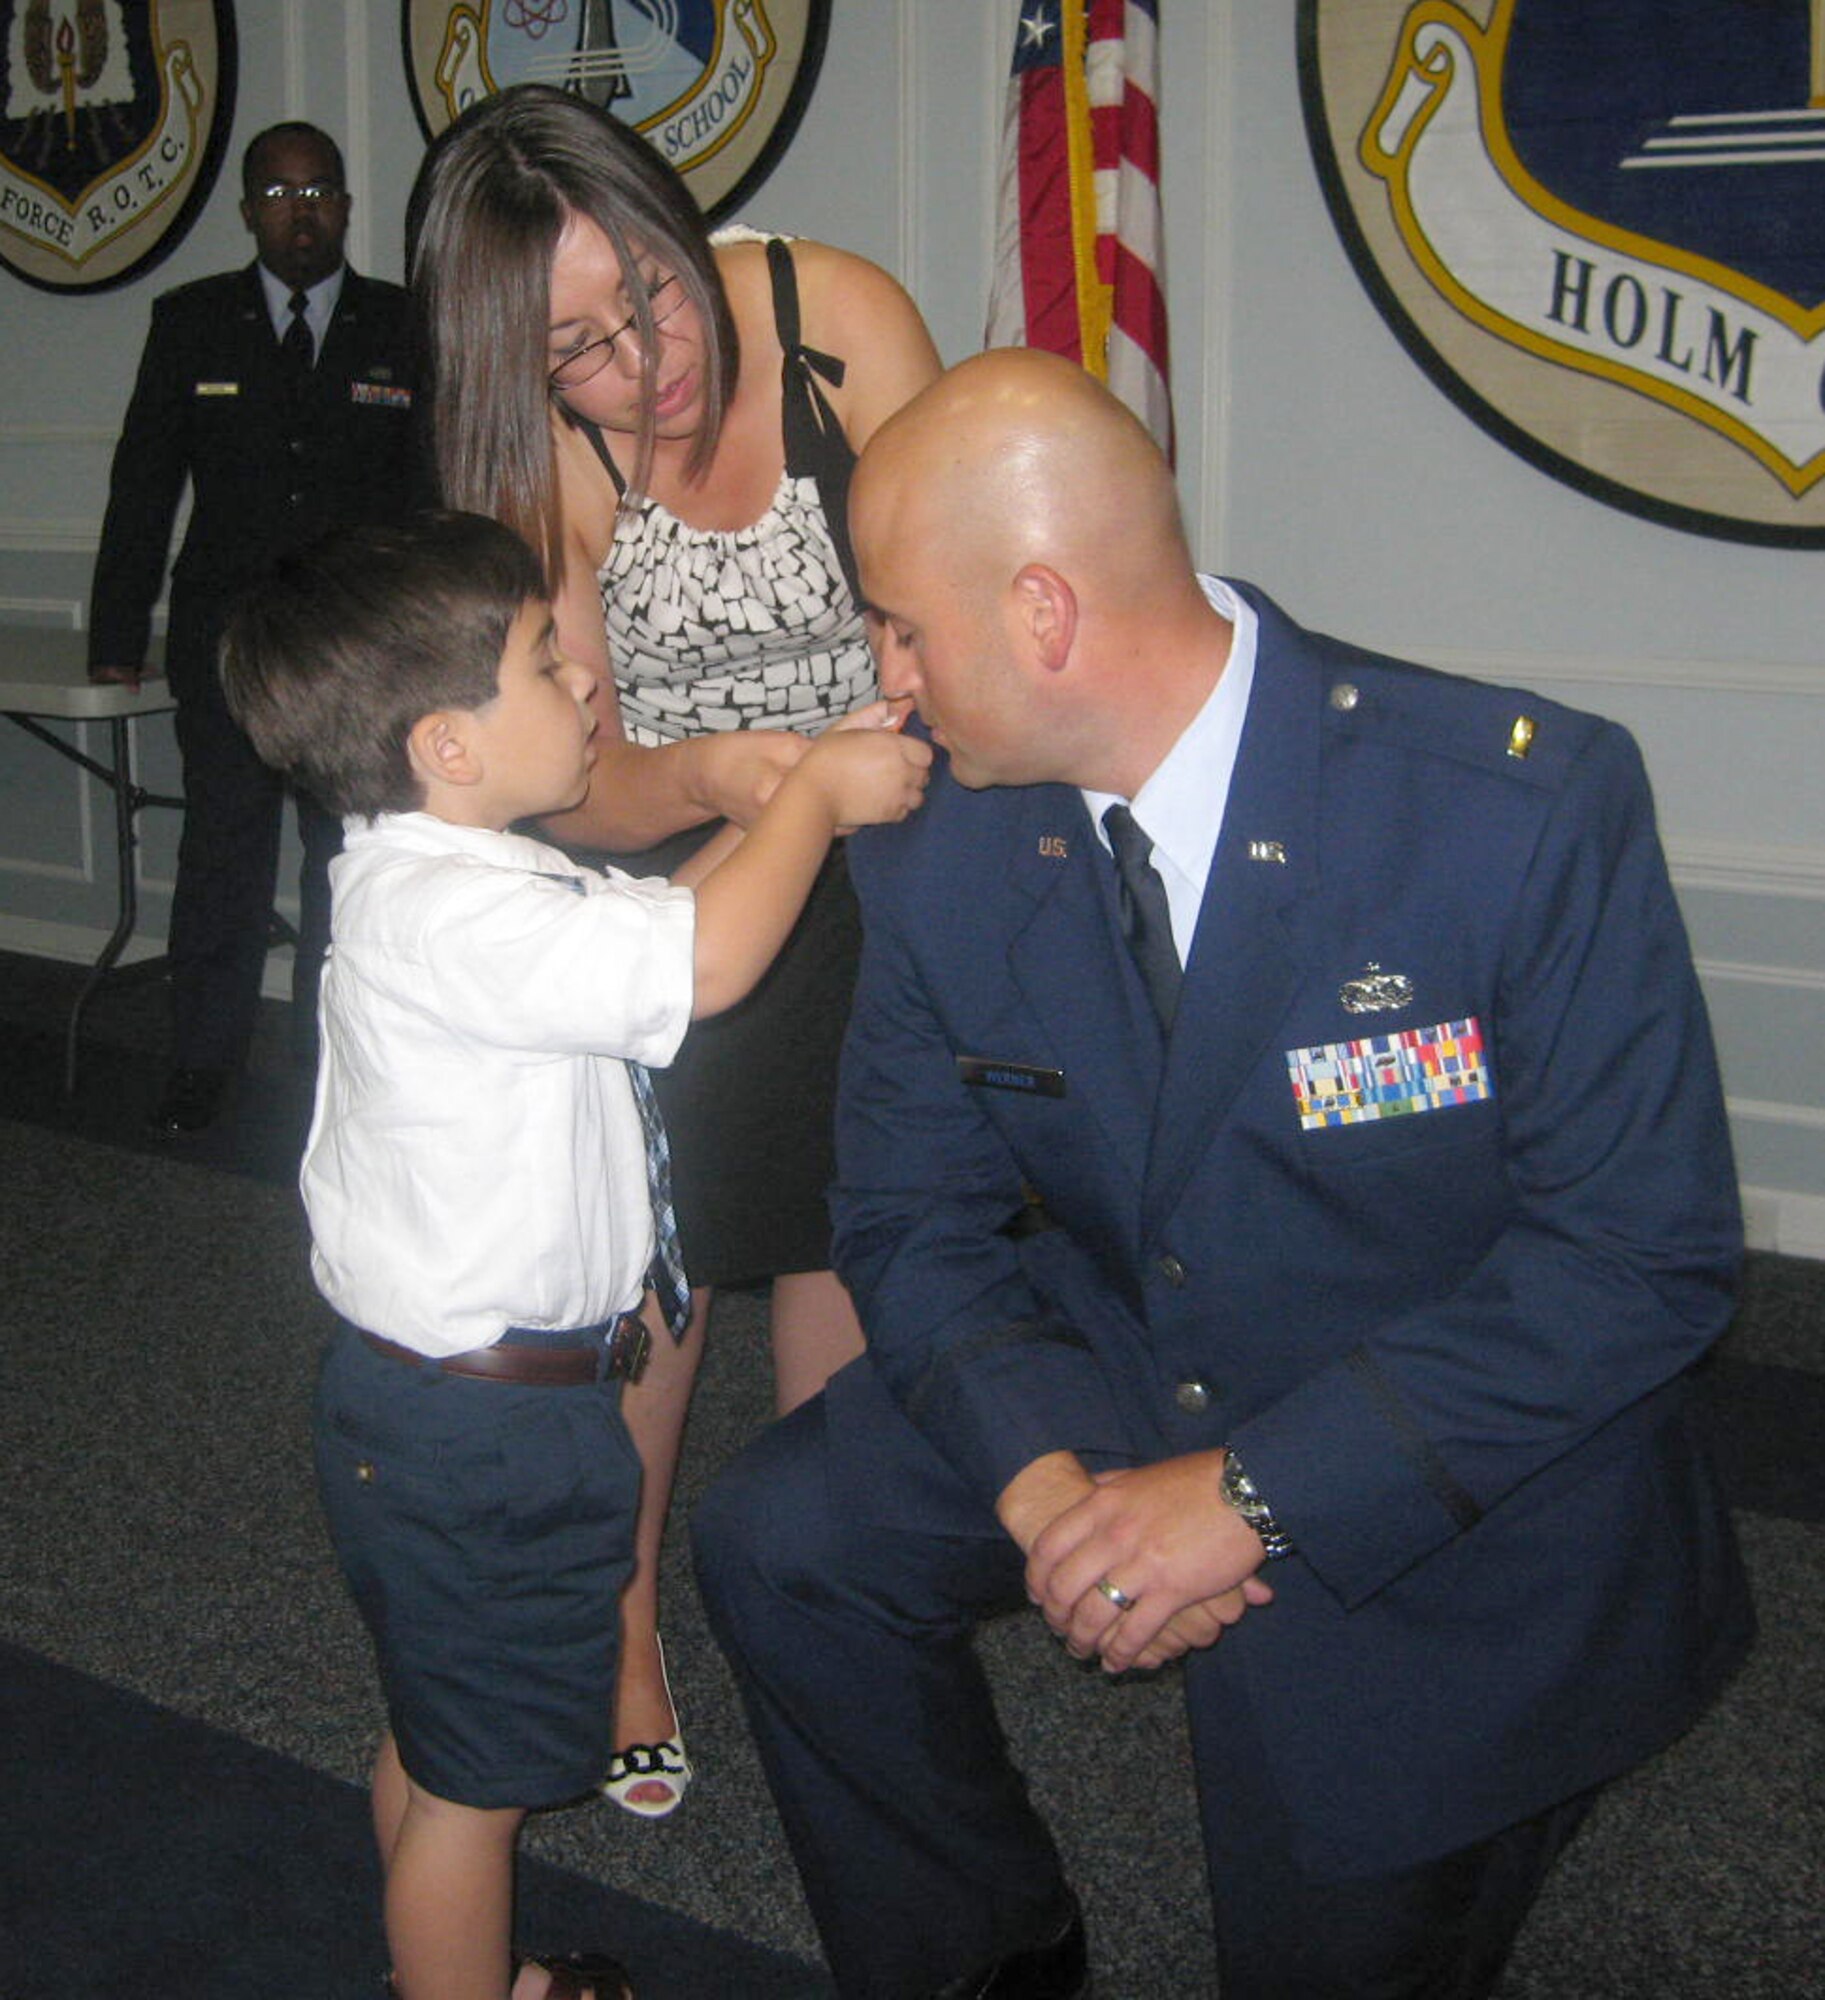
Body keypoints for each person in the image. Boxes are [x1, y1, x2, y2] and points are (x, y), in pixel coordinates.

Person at [690, 350, 1756, 2000]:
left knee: (1317, 1941)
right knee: (783, 1535)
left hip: (1445, 1445)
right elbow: (907, 1214)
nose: (880, 679)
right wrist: (1045, 1483)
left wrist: (1257, 1493)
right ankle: (987, 1951)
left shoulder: (1503, 814)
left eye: (900, 624)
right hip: (1140, 1345)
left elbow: (1642, 1257)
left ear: (1042, 614)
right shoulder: (943, 843)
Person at [217, 509, 929, 2000]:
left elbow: (659, 917)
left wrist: (788, 789)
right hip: (487, 1433)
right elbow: (709, 960)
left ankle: (477, 1965)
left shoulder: (450, 877)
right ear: (447, 746)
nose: (589, 687)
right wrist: (812, 812)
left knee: (448, 1726)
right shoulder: (452, 919)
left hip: (452, 1412)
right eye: (548, 666)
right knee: (482, 1793)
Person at [405, 82, 942, 1815]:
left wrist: (888, 736)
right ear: (524, 367)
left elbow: (959, 594)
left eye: (648, 281)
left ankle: (807, 1577)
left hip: (894, 849)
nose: (652, 358)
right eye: (582, 346)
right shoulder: (542, 459)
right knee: (674, 1265)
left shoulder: (834, 318)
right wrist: (726, 778)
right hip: (670, 883)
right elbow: (575, 785)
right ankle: (629, 1613)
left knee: (851, 1235)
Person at [88, 121, 420, 1135]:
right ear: (247, 211)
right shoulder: (190, 321)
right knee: (222, 863)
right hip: (225, 647)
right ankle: (202, 1063)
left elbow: (429, 493)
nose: (301, 210)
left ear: (347, 205)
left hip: (353, 654)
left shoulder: (402, 325)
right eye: (278, 195)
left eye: (318, 190)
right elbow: (144, 484)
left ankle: (335, 1069)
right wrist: (114, 628)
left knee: (345, 870)